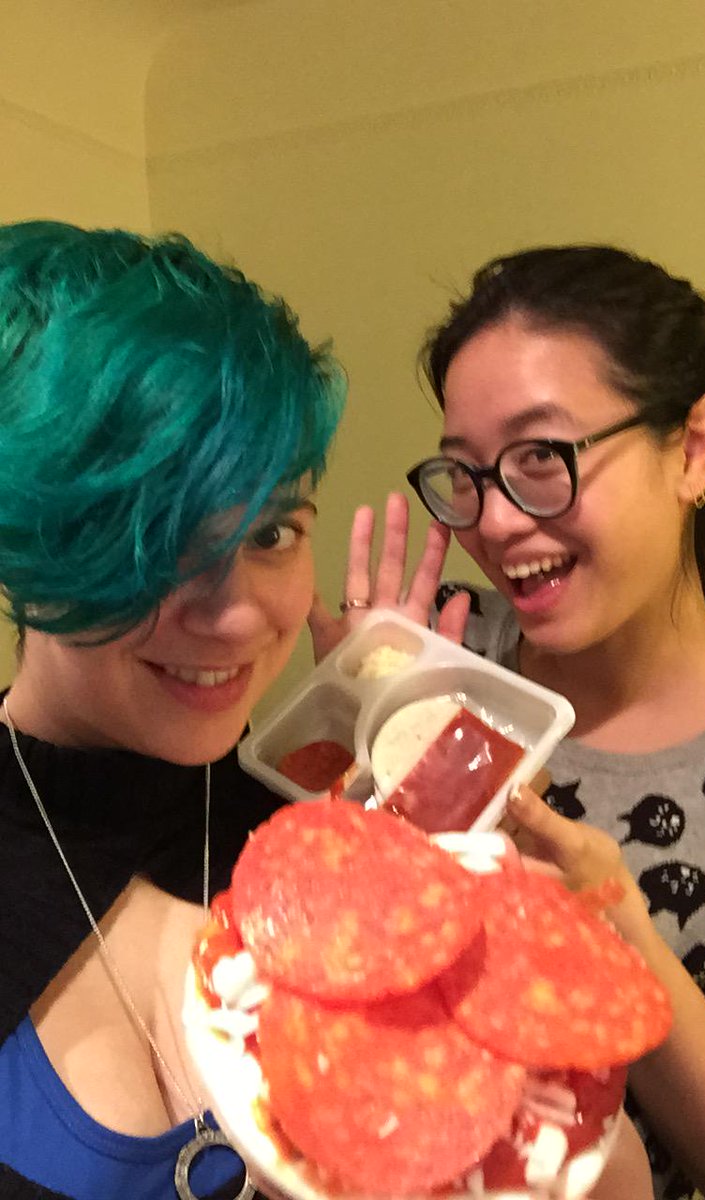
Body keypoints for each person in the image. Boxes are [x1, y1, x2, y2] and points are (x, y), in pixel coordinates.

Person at [0, 222, 652, 1200]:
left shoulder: (315, 834)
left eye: (271, 531)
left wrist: (437, 887)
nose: (238, 616)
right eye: (155, 542)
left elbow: (605, 1180)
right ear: (26, 542)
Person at [311, 245, 705, 1200]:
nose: (495, 523)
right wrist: (356, 725)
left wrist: (605, 926)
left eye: (542, 458)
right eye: (466, 473)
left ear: (693, 449)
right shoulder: (441, 664)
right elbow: (319, 997)